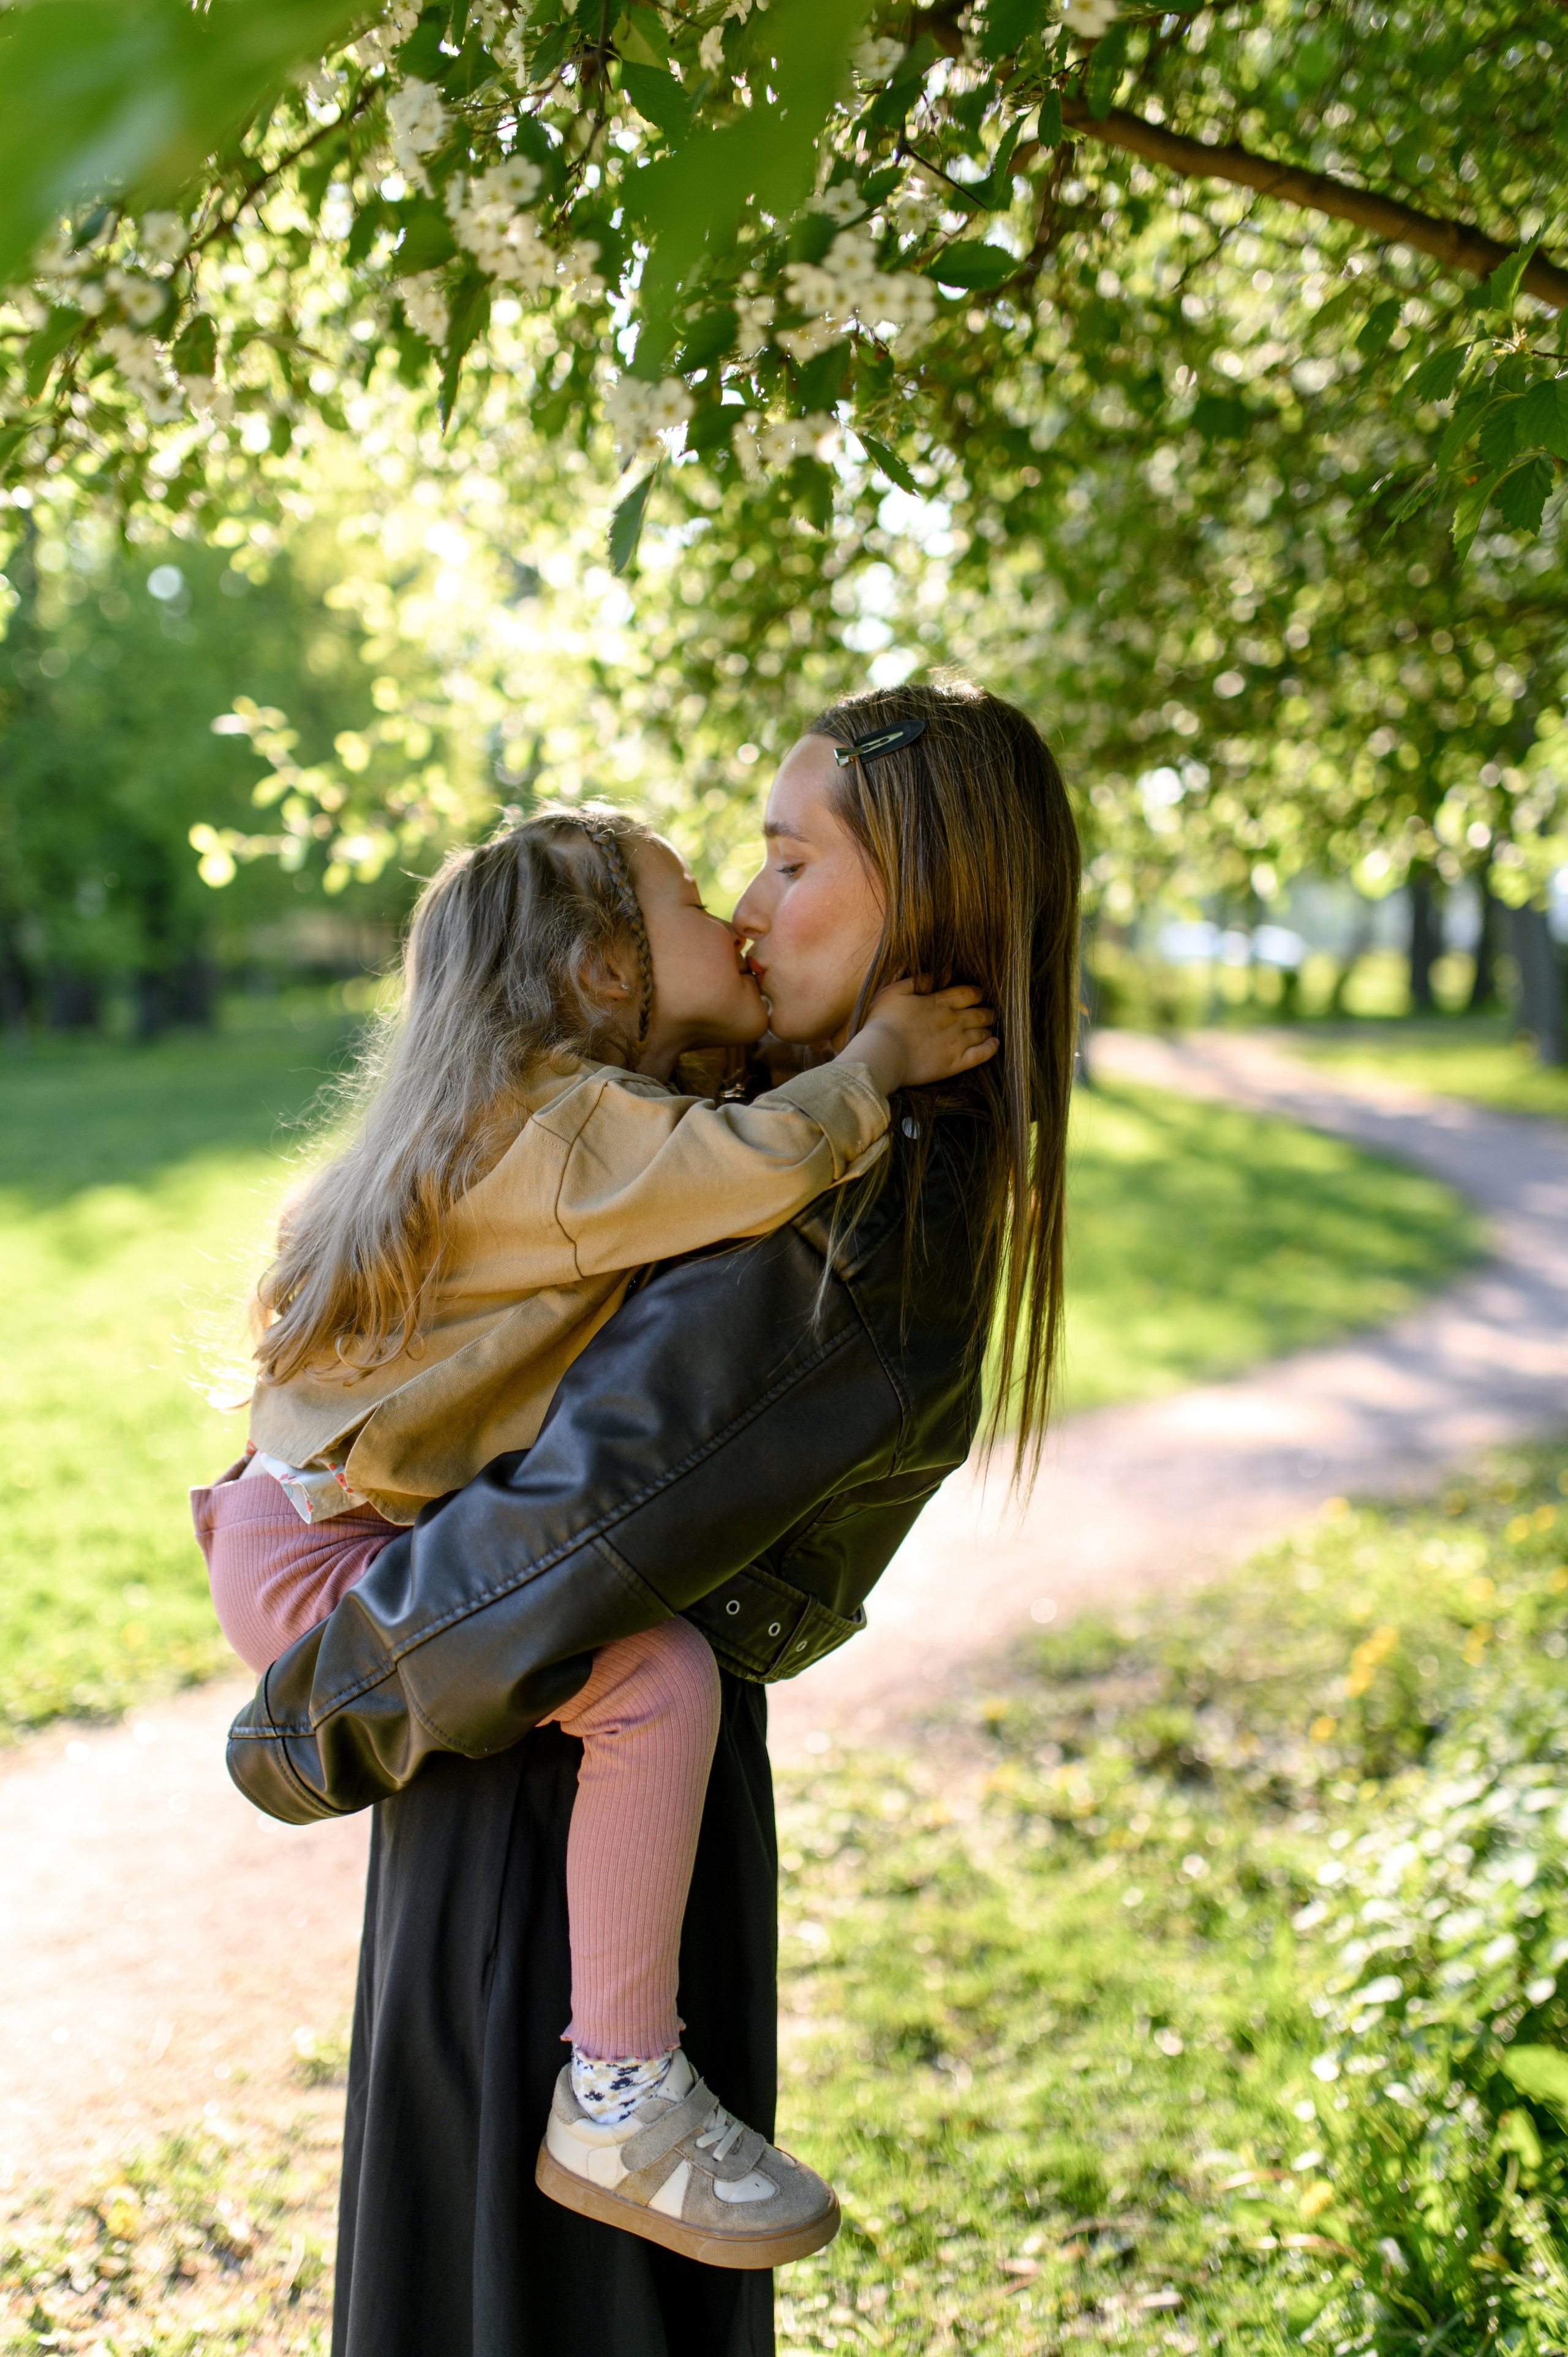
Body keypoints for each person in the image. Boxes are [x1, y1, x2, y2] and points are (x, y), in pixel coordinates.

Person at [228, 681, 1082, 2357]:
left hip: (532, 1800)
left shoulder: (858, 1204)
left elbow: (563, 1541)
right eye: (732, 876)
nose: (752, 916)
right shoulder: (817, 1155)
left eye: (783, 863)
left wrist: (310, 1720)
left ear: (930, 898)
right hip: (518, 1757)